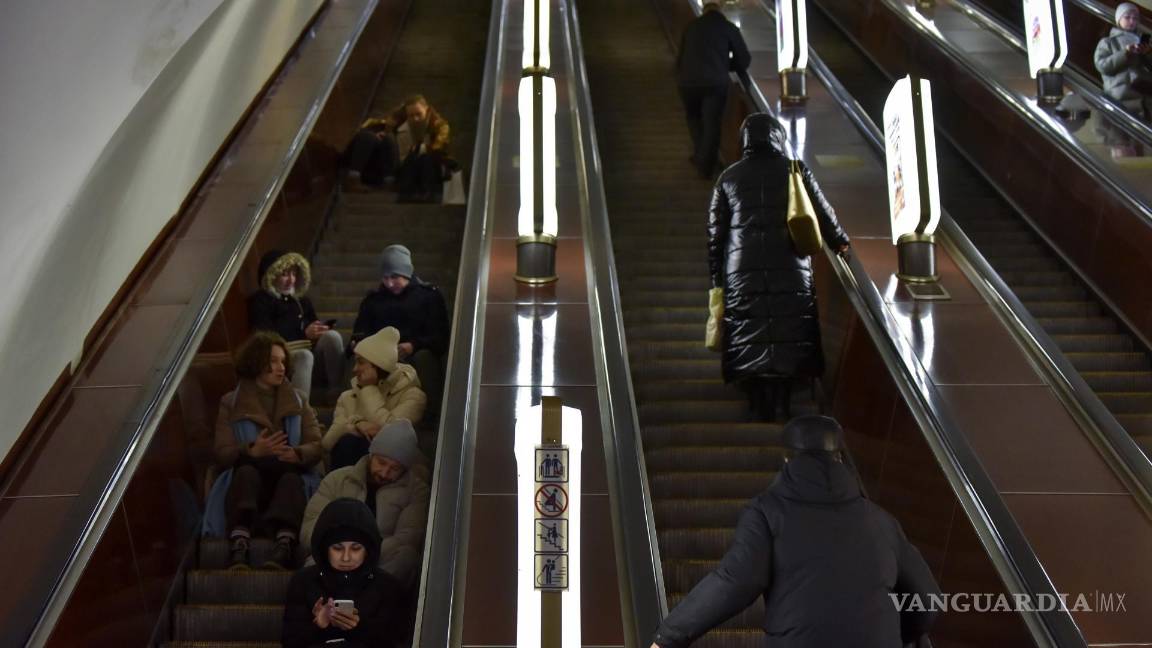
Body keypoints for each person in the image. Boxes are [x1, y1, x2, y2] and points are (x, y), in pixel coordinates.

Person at [650, 415, 940, 648]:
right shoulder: (880, 521)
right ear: (839, 458)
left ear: (787, 459)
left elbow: (736, 581)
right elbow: (927, 599)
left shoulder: (767, 512)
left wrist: (671, 636)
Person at [708, 113, 850, 421]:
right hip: (791, 265)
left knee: (750, 330)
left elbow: (715, 235)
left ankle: (757, 403)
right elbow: (820, 210)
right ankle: (785, 402)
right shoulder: (794, 171)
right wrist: (839, 241)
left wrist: (716, 279)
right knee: (788, 331)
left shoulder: (729, 178)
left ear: (745, 140)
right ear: (777, 137)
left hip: (741, 271)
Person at [204, 332, 323, 570]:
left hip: (287, 474)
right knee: (246, 473)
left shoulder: (298, 400)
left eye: (282, 361)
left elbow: (317, 443)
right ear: (257, 362)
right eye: (274, 361)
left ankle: (284, 546)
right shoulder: (231, 402)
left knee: (291, 479)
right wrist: (251, 450)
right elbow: (221, 451)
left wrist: (297, 453)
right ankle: (239, 543)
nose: (281, 367)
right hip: (248, 479)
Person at [302, 419, 431, 588]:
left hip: (380, 566)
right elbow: (309, 529)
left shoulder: (415, 490)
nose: (385, 473)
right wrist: (341, 551)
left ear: (405, 469)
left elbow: (408, 537)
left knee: (406, 557)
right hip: (334, 559)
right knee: (311, 565)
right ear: (371, 455)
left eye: (395, 468)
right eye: (382, 463)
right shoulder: (337, 479)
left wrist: (362, 553)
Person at [282, 498, 404, 648]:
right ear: (325, 549)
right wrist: (318, 625)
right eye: (338, 548)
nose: (346, 558)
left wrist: (359, 626)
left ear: (367, 550)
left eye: (356, 548)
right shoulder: (304, 582)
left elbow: (396, 641)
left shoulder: (387, 586)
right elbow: (289, 642)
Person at [351, 244, 450, 417]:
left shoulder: (429, 296)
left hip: (417, 353)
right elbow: (360, 331)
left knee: (425, 358)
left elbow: (440, 336)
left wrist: (413, 345)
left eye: (395, 277)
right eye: (385, 278)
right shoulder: (373, 301)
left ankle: (432, 414)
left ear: (406, 274)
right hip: (379, 358)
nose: (389, 283)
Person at [324, 326, 427, 471]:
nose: (354, 369)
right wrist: (358, 424)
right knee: (348, 443)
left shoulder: (414, 396)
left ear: (378, 365)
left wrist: (368, 389)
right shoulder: (348, 396)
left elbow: (389, 436)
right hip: (349, 473)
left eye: (360, 362)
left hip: (393, 474)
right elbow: (328, 443)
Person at [248, 250, 344, 401]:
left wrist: (319, 330)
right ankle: (300, 413)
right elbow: (266, 338)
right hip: (282, 361)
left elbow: (312, 327)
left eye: (293, 274)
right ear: (272, 276)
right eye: (285, 274)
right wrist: (303, 334)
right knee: (304, 356)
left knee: (332, 337)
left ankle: (336, 391)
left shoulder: (302, 301)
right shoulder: (261, 301)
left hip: (310, 356)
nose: (291, 280)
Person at [676, 2, 751, 179]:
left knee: (694, 118)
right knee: (712, 123)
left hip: (688, 82)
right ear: (720, 11)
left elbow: (681, 57)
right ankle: (706, 166)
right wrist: (726, 65)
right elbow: (744, 59)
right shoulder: (728, 27)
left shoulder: (691, 27)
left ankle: (700, 156)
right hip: (714, 83)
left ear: (704, 11)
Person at [342, 94, 452, 201]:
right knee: (368, 136)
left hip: (416, 169)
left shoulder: (439, 127)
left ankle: (392, 184)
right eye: (411, 115)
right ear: (406, 114)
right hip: (391, 167)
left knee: (415, 155)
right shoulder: (397, 124)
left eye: (419, 114)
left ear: (427, 110)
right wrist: (379, 134)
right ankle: (354, 178)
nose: (415, 119)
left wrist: (421, 148)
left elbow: (439, 147)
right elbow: (372, 127)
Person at [1094, 2, 1152, 120]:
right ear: (1118, 19)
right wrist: (1125, 53)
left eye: (1135, 18)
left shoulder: (1142, 41)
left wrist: (1148, 53)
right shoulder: (1108, 42)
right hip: (1120, 97)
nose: (1132, 21)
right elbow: (1102, 65)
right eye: (1127, 17)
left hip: (1144, 98)